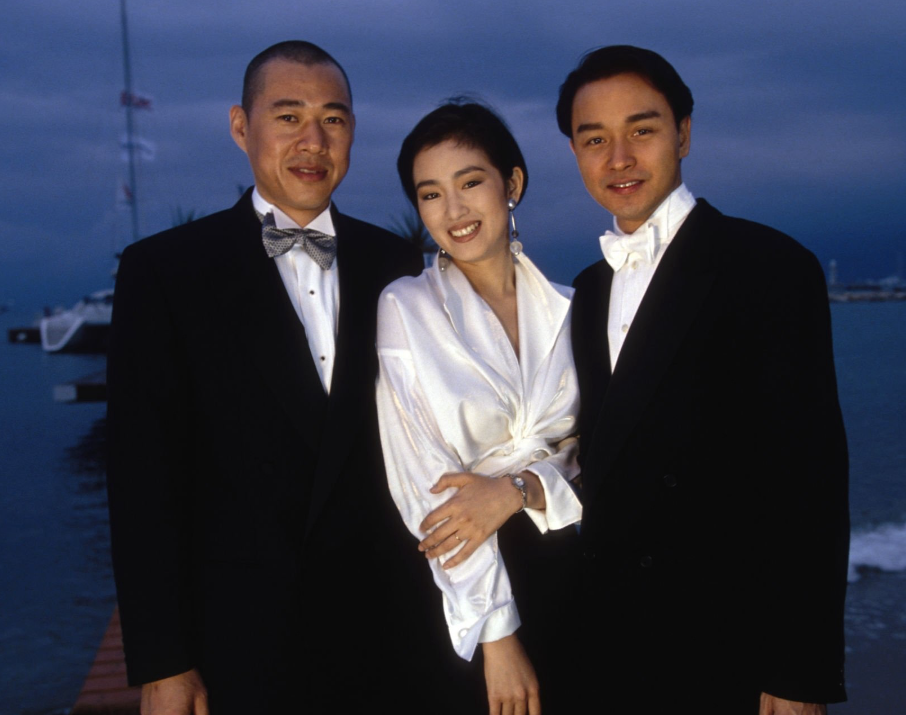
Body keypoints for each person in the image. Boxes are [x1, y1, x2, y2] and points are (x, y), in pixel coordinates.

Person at [105, 41, 428, 713]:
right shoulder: (165, 271)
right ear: (239, 126)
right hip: (240, 646)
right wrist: (164, 662)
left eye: (333, 118)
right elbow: (141, 483)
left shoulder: (397, 262)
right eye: (288, 117)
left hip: (389, 636)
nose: (313, 140)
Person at [557, 45, 850, 713]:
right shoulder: (585, 291)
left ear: (684, 133)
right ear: (574, 152)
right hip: (607, 650)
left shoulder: (770, 267)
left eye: (642, 129)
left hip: (729, 650)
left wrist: (799, 673)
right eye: (594, 139)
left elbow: (811, 482)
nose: (619, 158)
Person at [376, 101, 583, 714]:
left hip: (581, 565)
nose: (453, 210)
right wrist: (498, 636)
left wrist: (517, 489)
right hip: (469, 594)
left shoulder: (575, 309)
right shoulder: (406, 307)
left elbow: (603, 450)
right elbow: (424, 483)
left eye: (470, 183)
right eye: (430, 194)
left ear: (511, 183)